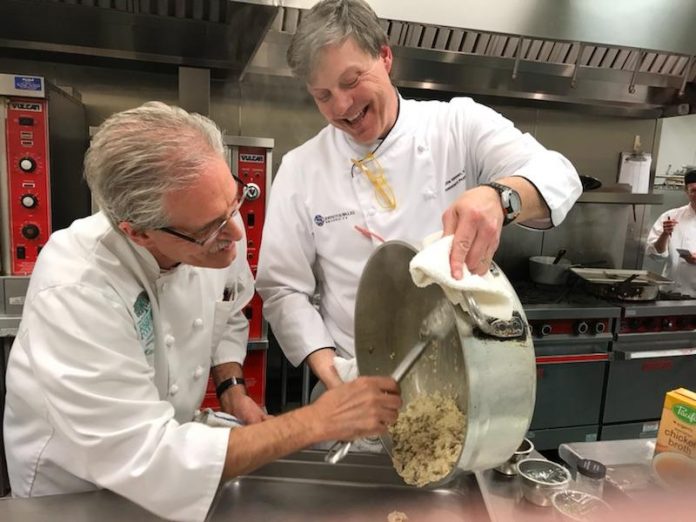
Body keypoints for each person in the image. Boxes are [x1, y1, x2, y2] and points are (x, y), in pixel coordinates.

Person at [2, 102, 401, 522]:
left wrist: (232, 386)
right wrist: (317, 421)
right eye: (209, 228)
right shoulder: (77, 289)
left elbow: (229, 306)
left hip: (170, 461)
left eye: (233, 201)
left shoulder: (215, 220)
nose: (234, 233)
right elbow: (147, 456)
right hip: (76, 492)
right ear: (136, 231)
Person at [255, 0, 582, 390]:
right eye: (323, 95)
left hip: (459, 380)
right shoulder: (301, 168)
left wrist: (501, 197)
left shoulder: (456, 125)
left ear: (385, 56)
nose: (342, 106)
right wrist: (335, 378)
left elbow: (559, 175)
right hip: (354, 383)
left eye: (351, 80)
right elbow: (283, 289)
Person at [646, 168, 696, 293]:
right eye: (694, 190)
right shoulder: (671, 216)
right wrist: (665, 234)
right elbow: (655, 255)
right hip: (673, 291)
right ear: (686, 191)